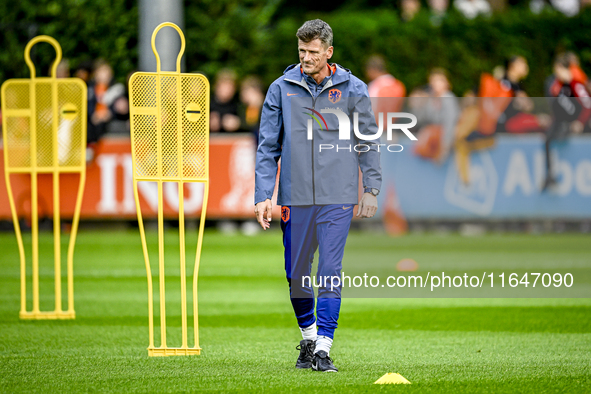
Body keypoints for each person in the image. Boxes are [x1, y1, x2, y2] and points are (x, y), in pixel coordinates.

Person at [254, 19, 381, 372]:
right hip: (294, 197)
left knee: (329, 269)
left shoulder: (354, 88)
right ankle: (308, 336)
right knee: (296, 274)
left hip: (338, 196)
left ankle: (324, 346)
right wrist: (264, 194)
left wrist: (371, 189)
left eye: (312, 51)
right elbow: (267, 147)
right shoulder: (281, 88)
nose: (306, 57)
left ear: (329, 52)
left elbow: (367, 141)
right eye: (301, 51)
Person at [543, 53, 591, 190]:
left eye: (558, 69)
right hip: (564, 122)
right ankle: (550, 175)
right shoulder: (557, 86)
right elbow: (558, 108)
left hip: (579, 123)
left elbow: (587, 105)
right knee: (547, 139)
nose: (556, 73)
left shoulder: (576, 84)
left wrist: (580, 122)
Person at [409, 68, 459, 163]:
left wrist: (444, 148)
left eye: (439, 80)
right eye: (433, 81)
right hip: (434, 141)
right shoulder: (431, 100)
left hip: (444, 141)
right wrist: (417, 105)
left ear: (446, 83)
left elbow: (450, 124)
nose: (435, 84)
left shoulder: (448, 98)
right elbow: (420, 119)